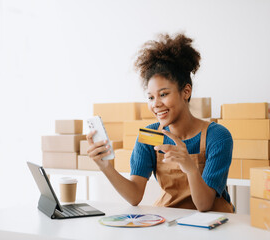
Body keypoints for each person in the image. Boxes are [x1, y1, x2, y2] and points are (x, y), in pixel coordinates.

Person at [87, 33, 234, 213]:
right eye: (150, 97)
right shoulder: (151, 136)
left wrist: (191, 169)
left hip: (212, 222)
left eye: (163, 94)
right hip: (171, 220)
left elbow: (204, 205)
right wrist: (105, 166)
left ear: (186, 91)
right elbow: (134, 196)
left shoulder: (216, 136)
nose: (155, 104)